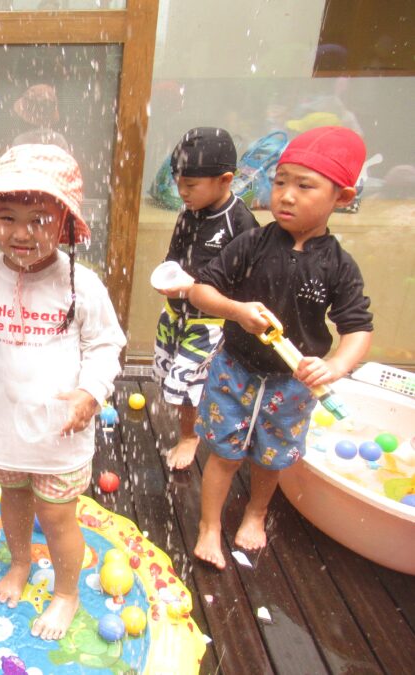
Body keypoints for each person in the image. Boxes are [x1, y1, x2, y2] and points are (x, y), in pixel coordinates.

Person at [0, 144, 125, 640]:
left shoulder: (80, 284)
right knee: (14, 499)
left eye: (39, 220)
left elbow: (107, 345)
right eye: (7, 218)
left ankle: (66, 593)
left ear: (64, 223)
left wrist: (91, 393)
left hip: (60, 430)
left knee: (57, 516)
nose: (21, 233)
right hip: (4, 423)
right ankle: (21, 562)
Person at [189, 126, 373, 569]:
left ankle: (255, 513)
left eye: (304, 186)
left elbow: (358, 330)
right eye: (280, 182)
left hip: (292, 384)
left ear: (342, 197)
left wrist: (336, 366)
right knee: (224, 454)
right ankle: (209, 526)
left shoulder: (338, 266)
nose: (286, 196)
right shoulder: (253, 243)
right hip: (235, 369)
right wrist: (235, 310)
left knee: (270, 458)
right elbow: (199, 291)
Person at [152, 128, 258, 471]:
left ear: (225, 180)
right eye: (178, 183)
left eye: (190, 185)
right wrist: (167, 276)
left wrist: (196, 289)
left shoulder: (240, 223)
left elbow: (247, 282)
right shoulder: (188, 213)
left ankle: (190, 436)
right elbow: (174, 257)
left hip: (209, 322)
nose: (181, 192)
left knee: (186, 383)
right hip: (176, 313)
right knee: (168, 375)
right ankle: (196, 419)